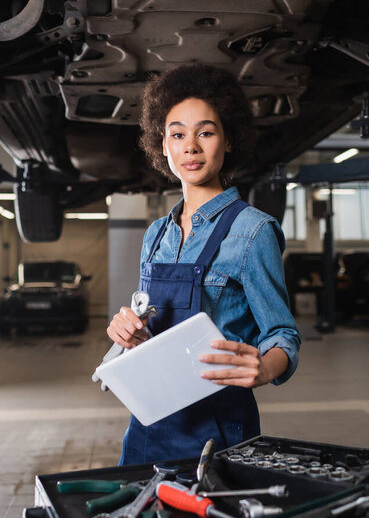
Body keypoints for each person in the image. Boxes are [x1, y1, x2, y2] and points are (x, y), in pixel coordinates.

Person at [107, 64, 301, 465]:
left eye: (206, 132)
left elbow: (282, 333)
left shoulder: (252, 231)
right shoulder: (157, 234)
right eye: (178, 134)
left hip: (218, 432)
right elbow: (150, 331)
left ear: (228, 140)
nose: (190, 146)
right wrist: (127, 334)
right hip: (147, 427)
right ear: (163, 145)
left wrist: (265, 368)